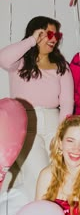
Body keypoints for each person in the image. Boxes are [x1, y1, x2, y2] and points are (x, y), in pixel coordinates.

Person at [0, 16, 74, 200]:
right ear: (36, 33)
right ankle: (41, 213)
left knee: (58, 171)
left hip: (53, 123)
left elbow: (66, 102)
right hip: (26, 125)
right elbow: (3, 57)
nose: (54, 39)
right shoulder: (19, 63)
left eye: (56, 34)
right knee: (39, 174)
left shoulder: (61, 66)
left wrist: (62, 132)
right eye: (48, 33)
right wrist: (32, 40)